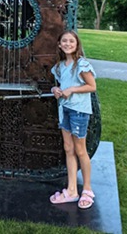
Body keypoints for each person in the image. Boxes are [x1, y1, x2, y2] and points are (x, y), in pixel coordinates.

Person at [48, 30, 97, 209]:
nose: (68, 44)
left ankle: (87, 190)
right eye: (64, 41)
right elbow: (62, 85)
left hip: (78, 112)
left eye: (71, 41)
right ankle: (71, 191)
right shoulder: (60, 66)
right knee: (68, 149)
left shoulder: (81, 65)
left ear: (77, 45)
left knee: (80, 150)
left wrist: (72, 90)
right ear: (60, 45)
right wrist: (56, 90)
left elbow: (92, 86)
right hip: (64, 110)